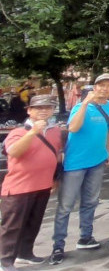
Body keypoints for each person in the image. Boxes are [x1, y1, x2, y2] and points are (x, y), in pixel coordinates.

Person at [49, 74, 109, 266]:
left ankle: (85, 237)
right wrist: (86, 104)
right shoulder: (80, 107)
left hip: (97, 162)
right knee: (65, 206)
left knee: (90, 201)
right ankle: (58, 245)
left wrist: (107, 150)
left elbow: (108, 129)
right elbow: (73, 128)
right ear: (94, 87)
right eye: (101, 85)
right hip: (75, 164)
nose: (104, 89)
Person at [1, 95, 62, 270]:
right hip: (19, 188)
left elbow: (56, 154)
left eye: (47, 108)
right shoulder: (18, 132)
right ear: (29, 110)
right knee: (12, 226)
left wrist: (54, 179)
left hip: (43, 185)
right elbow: (15, 152)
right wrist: (33, 132)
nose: (43, 111)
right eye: (39, 108)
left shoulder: (55, 131)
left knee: (33, 223)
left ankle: (25, 253)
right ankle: (5, 261)